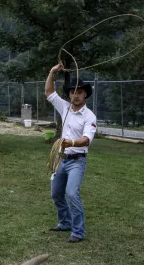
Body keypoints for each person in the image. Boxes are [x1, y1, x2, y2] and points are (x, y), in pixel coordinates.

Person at [44, 62, 97, 243]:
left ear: (85, 95)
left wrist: (71, 142)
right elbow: (49, 93)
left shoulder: (89, 116)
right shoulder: (64, 107)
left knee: (72, 193)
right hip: (62, 159)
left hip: (77, 161)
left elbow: (86, 139)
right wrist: (52, 72)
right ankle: (65, 222)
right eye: (73, 92)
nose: (75, 95)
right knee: (56, 194)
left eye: (79, 92)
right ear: (69, 94)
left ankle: (78, 232)